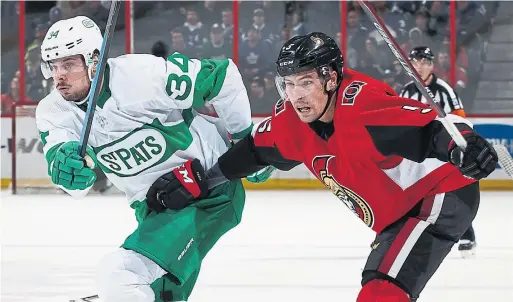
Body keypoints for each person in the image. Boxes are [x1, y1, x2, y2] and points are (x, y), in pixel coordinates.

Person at [151, 32, 498, 301]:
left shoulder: (362, 106)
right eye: (288, 84)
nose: (296, 95)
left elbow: (431, 128)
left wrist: (460, 146)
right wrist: (202, 180)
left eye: (306, 82)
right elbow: (255, 151)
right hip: (398, 213)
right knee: (378, 284)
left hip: (438, 196)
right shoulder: (292, 121)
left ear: (331, 79)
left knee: (383, 291)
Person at [36, 16, 256, 302]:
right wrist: (70, 169)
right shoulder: (53, 111)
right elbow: (76, 189)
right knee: (160, 295)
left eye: (68, 64)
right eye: (53, 66)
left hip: (209, 191)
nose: (59, 76)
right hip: (154, 210)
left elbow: (223, 76)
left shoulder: (141, 76)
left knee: (121, 275)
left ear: (94, 59)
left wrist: (245, 143)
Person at [400, 46, 476, 258]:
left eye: (424, 62)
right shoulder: (406, 90)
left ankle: (467, 232)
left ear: (432, 65)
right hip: (417, 150)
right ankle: (408, 235)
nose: (420, 67)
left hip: (442, 149)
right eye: (416, 62)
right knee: (413, 194)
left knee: (452, 191)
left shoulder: (444, 90)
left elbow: (460, 117)